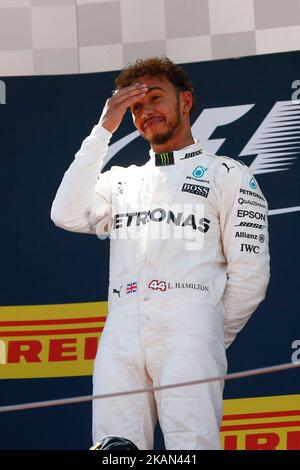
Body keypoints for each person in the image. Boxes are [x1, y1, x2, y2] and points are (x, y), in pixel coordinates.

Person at [50, 57, 270, 450]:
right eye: (134, 106)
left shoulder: (228, 174)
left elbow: (251, 275)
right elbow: (64, 213)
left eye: (155, 97)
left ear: (185, 101)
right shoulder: (121, 181)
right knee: (113, 450)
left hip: (191, 330)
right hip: (120, 332)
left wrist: (206, 331)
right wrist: (104, 128)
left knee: (192, 447)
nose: (146, 111)